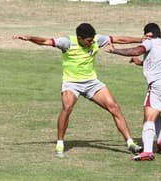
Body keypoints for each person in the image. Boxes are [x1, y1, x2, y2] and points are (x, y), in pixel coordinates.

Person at [13, 23, 143, 158]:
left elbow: (118, 39)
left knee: (114, 107)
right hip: (71, 83)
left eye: (92, 40)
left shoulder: (96, 40)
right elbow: (45, 41)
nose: (92, 42)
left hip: (92, 83)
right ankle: (60, 143)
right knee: (67, 107)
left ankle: (130, 143)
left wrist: (141, 40)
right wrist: (29, 38)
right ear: (80, 38)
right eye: (88, 41)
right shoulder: (67, 43)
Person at [106, 23, 161, 161]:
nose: (143, 39)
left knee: (148, 118)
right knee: (156, 112)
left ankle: (147, 152)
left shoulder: (149, 42)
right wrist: (139, 63)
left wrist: (114, 50)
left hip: (159, 87)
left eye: (144, 36)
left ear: (149, 35)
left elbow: (136, 50)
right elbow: (157, 64)